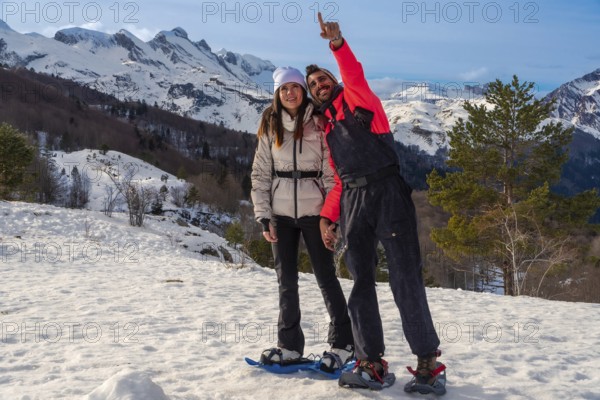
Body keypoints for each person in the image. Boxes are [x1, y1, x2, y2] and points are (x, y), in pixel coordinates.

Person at [305, 13, 446, 391]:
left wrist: (337, 45)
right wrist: (326, 219)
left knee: (405, 278)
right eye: (314, 84)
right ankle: (371, 363)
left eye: (324, 80)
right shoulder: (328, 128)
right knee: (360, 281)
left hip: (388, 194)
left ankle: (429, 364)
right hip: (353, 200)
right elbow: (339, 181)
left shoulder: (358, 99)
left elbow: (352, 73)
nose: (320, 85)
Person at [250, 66, 354, 372]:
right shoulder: (270, 125)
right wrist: (263, 216)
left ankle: (343, 343)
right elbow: (259, 174)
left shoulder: (318, 123)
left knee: (325, 277)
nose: (290, 93)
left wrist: (330, 218)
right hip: (280, 215)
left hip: (314, 213)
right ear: (278, 94)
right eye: (284, 89)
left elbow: (332, 174)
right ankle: (290, 346)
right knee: (286, 281)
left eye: (295, 87)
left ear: (303, 91)